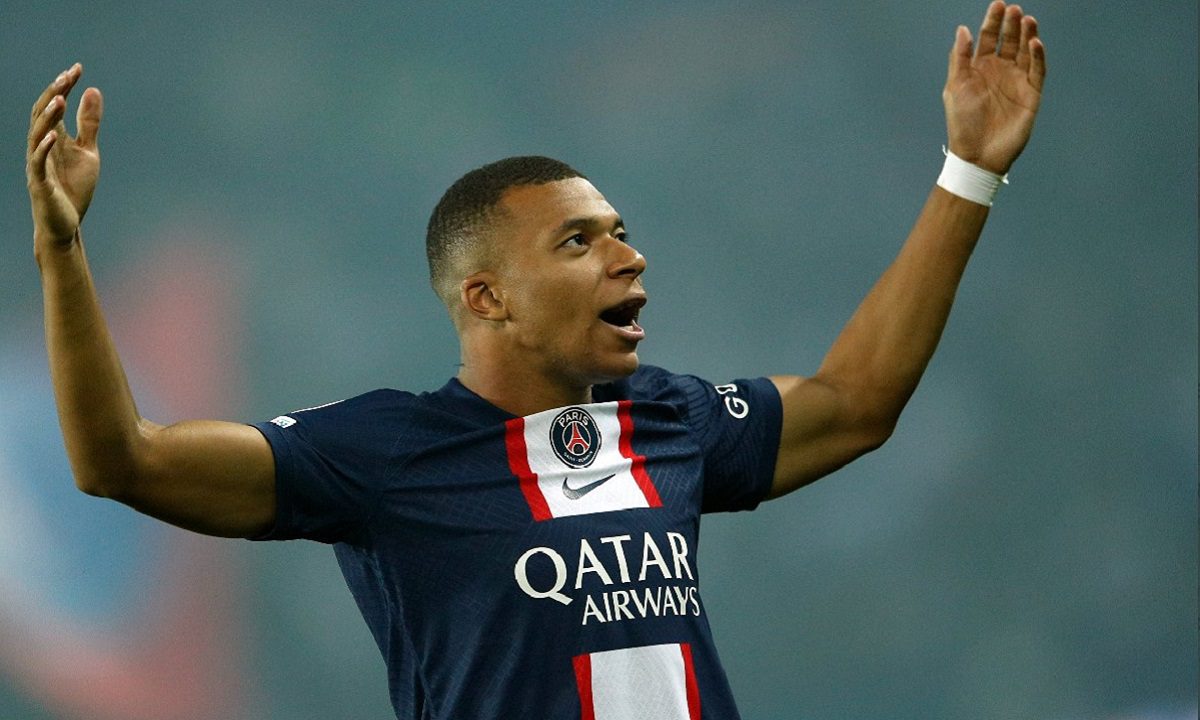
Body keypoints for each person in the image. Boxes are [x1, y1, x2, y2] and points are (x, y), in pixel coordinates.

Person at [25, 2, 1046, 718]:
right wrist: (63, 253)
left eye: (622, 233)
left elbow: (857, 400)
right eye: (578, 241)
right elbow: (123, 461)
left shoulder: (671, 421)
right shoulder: (384, 452)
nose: (628, 257)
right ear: (488, 298)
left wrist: (968, 170)